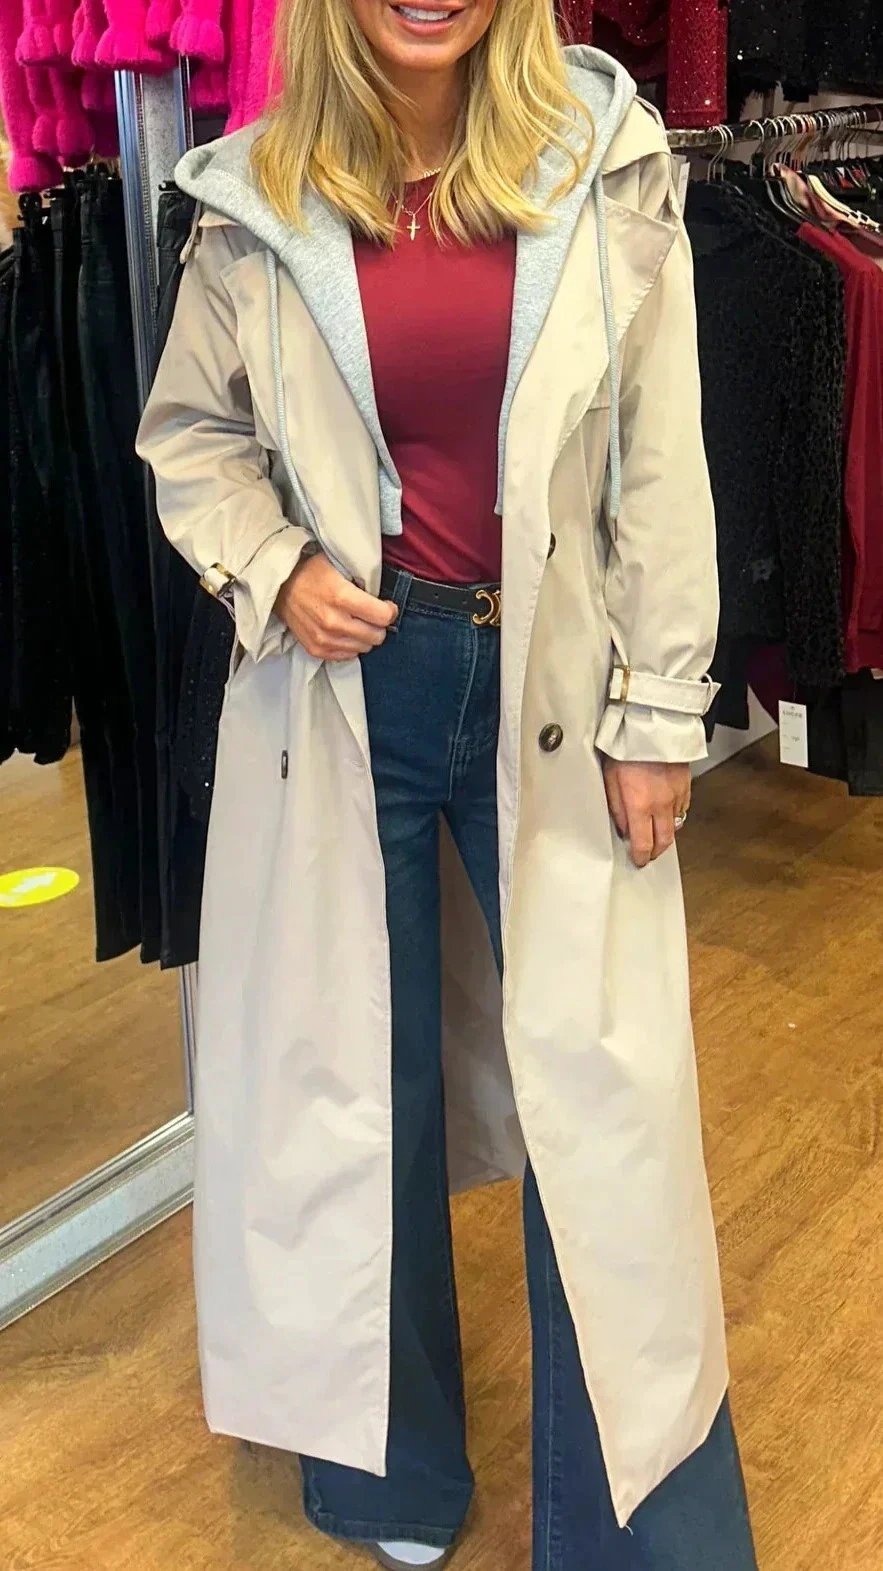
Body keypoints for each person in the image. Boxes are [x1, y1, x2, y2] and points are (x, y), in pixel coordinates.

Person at [137, 3, 758, 1568]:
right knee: (361, 1080)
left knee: (603, 1101)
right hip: (347, 687)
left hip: (556, 678)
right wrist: (274, 566)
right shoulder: (256, 196)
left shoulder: (601, 161)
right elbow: (191, 436)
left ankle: (639, 1526)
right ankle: (387, 1472)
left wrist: (658, 711)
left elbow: (659, 457)